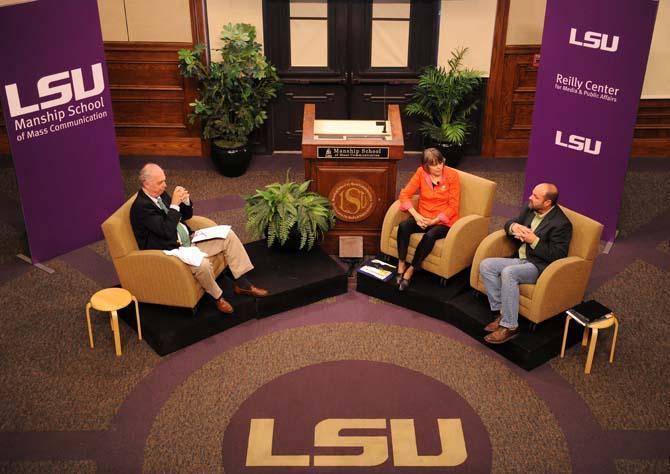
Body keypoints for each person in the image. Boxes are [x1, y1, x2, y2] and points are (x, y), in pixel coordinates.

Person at [130, 163, 268, 314]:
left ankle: (243, 284)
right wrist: (175, 205)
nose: (165, 185)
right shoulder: (141, 207)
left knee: (228, 235)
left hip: (189, 239)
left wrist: (186, 201)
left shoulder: (160, 194)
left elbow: (187, 216)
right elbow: (166, 231)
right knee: (202, 265)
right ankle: (218, 298)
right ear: (146, 183)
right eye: (160, 182)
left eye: (164, 180)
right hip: (172, 251)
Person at [479, 182, 572, 344]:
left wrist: (534, 240)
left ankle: (510, 326)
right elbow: (509, 223)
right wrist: (514, 227)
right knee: (486, 265)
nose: (530, 197)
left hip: (538, 265)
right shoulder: (529, 207)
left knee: (509, 272)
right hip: (520, 258)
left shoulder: (561, 224)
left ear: (547, 203)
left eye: (535, 196)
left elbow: (558, 255)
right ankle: (502, 311)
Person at [395, 147, 460, 290]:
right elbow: (404, 195)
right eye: (434, 164)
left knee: (430, 236)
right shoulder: (420, 173)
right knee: (404, 226)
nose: (439, 167)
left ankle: (412, 269)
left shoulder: (452, 175)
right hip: (423, 216)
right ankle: (401, 263)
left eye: (440, 163)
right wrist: (417, 216)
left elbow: (453, 207)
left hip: (443, 221)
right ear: (426, 166)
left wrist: (434, 221)